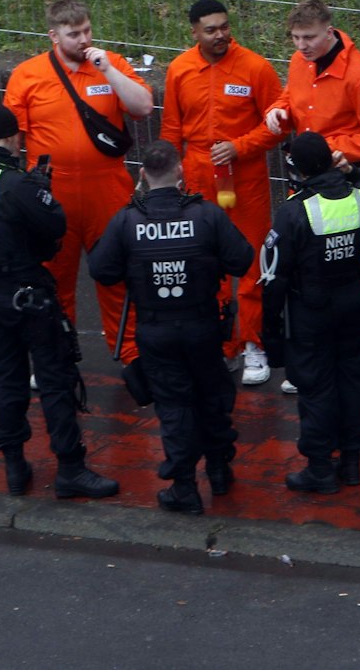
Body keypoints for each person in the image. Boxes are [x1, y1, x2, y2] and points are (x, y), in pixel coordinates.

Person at [0, 104, 118, 501]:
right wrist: (40, 187)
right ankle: (70, 468)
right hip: (29, 294)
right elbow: (54, 224)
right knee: (56, 381)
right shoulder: (16, 183)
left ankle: (14, 465)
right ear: (10, 138)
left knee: (5, 382)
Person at [88, 141, 252, 514]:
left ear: (142, 175)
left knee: (174, 406)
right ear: (180, 172)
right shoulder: (207, 215)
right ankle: (220, 470)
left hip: (157, 330)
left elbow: (101, 269)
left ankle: (184, 488)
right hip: (203, 326)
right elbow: (242, 259)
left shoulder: (127, 219)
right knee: (212, 397)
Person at [4, 0, 152, 361]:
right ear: (54, 35)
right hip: (52, 191)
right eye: (74, 34)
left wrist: (109, 72)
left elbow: (143, 106)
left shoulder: (110, 64)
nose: (84, 39)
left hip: (107, 186)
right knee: (52, 277)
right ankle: (54, 353)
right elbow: (11, 142)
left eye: (87, 30)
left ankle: (130, 351)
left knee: (117, 272)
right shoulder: (27, 74)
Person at [262, 0, 360, 392]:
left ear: (330, 31)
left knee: (348, 267)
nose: (302, 45)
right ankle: (314, 355)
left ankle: (354, 349)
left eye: (310, 38)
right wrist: (278, 110)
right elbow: (293, 98)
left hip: (341, 185)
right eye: (297, 38)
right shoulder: (299, 62)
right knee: (306, 270)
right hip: (306, 183)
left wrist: (328, 149)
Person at [159, 0, 283, 388]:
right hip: (197, 174)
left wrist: (240, 146)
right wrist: (167, 176)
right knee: (202, 261)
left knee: (251, 259)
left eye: (224, 27)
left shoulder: (255, 68)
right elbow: (170, 130)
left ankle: (252, 344)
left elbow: (278, 124)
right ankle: (220, 342)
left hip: (244, 177)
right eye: (210, 29)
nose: (220, 35)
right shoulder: (180, 70)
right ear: (194, 32)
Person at [260, 131, 360, 494]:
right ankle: (352, 461)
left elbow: (273, 279)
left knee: (316, 388)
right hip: (356, 304)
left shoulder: (293, 212)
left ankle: (319, 468)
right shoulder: (359, 198)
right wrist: (350, 169)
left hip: (312, 311)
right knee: (352, 380)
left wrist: (271, 333)